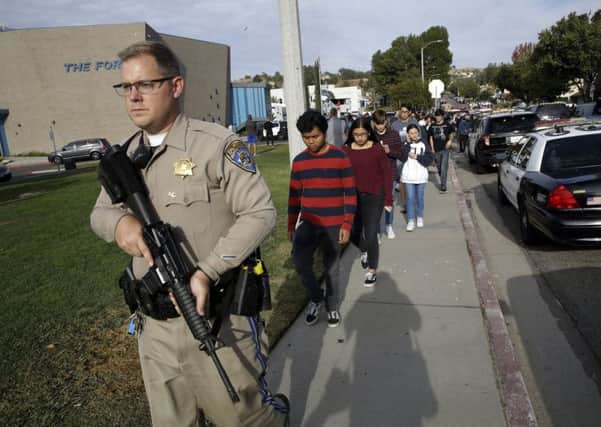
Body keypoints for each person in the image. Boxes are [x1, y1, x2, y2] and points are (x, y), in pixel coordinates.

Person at [90, 41, 288, 427]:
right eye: (125, 87)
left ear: (176, 86)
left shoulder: (217, 145)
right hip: (156, 329)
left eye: (145, 84)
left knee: (244, 420)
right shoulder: (125, 157)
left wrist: (206, 271)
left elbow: (260, 212)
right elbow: (99, 212)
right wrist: (119, 224)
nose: (133, 96)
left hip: (217, 319)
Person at [288, 110, 356, 328]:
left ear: (324, 133)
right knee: (300, 263)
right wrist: (291, 225)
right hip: (308, 223)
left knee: (331, 269)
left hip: (334, 224)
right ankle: (316, 298)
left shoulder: (340, 157)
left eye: (315, 136)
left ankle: (332, 305)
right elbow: (294, 197)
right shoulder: (299, 162)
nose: (311, 141)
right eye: (306, 137)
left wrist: (347, 224)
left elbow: (351, 193)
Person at [343, 116, 392, 287]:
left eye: (363, 134)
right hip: (352, 197)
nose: (360, 138)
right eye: (356, 134)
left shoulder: (377, 149)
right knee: (353, 233)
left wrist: (388, 199)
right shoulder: (346, 150)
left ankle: (372, 270)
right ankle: (364, 250)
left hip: (374, 196)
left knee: (371, 234)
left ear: (369, 133)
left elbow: (387, 174)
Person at [371, 109, 403, 239]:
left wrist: (389, 151)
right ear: (374, 123)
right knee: (377, 204)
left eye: (382, 123)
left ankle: (389, 226)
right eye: (377, 123)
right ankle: (377, 231)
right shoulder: (371, 136)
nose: (379, 126)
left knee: (389, 202)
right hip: (375, 175)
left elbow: (400, 154)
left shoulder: (394, 134)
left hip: (390, 173)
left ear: (386, 122)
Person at [401, 124, 434, 231]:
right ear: (408, 134)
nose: (414, 135)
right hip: (408, 175)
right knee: (410, 198)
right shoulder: (405, 144)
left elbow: (429, 159)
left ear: (418, 133)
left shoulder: (423, 143)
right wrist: (407, 143)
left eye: (415, 132)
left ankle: (419, 216)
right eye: (411, 133)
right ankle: (411, 220)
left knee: (419, 197)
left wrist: (417, 157)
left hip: (421, 175)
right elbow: (402, 157)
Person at [390, 104, 419, 212]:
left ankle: (412, 201)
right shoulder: (394, 124)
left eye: (406, 111)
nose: (404, 113)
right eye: (402, 111)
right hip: (399, 155)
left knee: (411, 179)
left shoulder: (413, 123)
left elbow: (419, 137)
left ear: (409, 112)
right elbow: (391, 139)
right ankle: (406, 203)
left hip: (412, 154)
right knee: (403, 180)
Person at [428, 109, 455, 193]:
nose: (437, 117)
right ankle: (442, 178)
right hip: (436, 150)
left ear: (442, 116)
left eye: (439, 115)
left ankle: (443, 186)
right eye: (436, 115)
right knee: (439, 168)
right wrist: (432, 149)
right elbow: (431, 137)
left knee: (444, 168)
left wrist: (450, 141)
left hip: (445, 149)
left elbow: (452, 133)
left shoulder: (447, 125)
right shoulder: (432, 126)